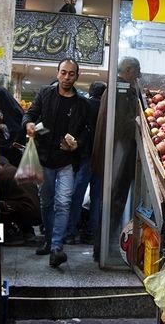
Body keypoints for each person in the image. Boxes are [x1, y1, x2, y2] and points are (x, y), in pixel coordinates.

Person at [22, 58, 91, 267]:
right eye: (63, 73)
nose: (66, 77)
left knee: (63, 203)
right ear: (57, 73)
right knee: (47, 202)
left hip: (66, 162)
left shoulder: (82, 104)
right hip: (44, 159)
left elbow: (86, 132)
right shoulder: (45, 94)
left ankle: (56, 248)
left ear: (77, 76)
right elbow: (30, 114)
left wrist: (76, 144)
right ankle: (49, 240)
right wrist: (29, 124)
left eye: (71, 74)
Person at [92, 57, 142, 262]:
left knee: (112, 203)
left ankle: (104, 246)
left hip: (115, 156)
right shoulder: (120, 90)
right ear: (128, 70)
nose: (137, 78)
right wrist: (140, 122)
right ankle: (103, 248)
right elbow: (122, 124)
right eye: (136, 73)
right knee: (113, 203)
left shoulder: (113, 89)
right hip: (118, 157)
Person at [65, 81, 107, 245]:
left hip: (85, 156)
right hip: (101, 158)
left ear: (90, 92)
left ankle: (70, 232)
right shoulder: (107, 109)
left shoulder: (84, 104)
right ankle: (91, 233)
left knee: (77, 194)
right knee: (97, 197)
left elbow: (75, 128)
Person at [0, 156, 41, 245]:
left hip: (28, 211)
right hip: (37, 211)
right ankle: (27, 232)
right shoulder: (14, 170)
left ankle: (6, 235)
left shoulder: (3, 173)